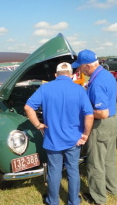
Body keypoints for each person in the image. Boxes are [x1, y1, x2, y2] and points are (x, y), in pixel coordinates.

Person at [24, 62, 94, 205]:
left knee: (54, 171)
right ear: (71, 75)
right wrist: (85, 135)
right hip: (74, 139)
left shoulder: (45, 88)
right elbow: (89, 115)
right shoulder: (80, 89)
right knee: (73, 170)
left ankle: (52, 201)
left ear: (56, 75)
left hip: (52, 139)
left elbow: (28, 107)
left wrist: (38, 125)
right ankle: (74, 201)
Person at [72, 49, 117, 205]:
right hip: (114, 121)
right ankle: (111, 188)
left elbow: (102, 113)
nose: (79, 70)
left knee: (95, 162)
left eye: (80, 67)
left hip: (102, 125)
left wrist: (85, 110)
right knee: (109, 157)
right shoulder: (105, 74)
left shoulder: (97, 82)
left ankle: (98, 197)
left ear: (87, 66)